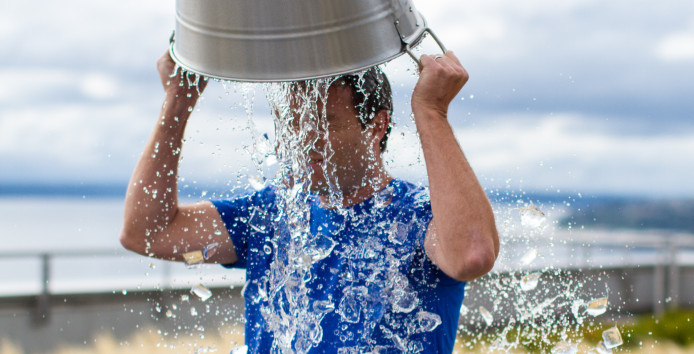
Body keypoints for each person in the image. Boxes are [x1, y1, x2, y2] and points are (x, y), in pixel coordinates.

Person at [120, 49, 499, 353]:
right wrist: (178, 100)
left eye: (324, 121)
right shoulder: (272, 213)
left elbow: (473, 254)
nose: (304, 138)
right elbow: (147, 234)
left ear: (377, 126)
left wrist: (432, 112)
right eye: (294, 122)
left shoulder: (416, 215)